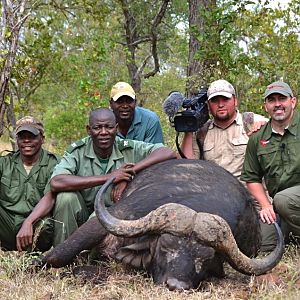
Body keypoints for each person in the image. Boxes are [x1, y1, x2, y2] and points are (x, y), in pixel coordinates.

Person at [50, 108, 176, 246]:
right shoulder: (77, 151)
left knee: (106, 215)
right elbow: (57, 182)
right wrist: (110, 177)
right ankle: (62, 250)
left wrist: (130, 172)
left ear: (116, 128)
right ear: (88, 129)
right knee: (65, 197)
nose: (103, 132)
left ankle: (93, 255)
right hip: (81, 213)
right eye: (97, 127)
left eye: (109, 127)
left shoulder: (128, 147)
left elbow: (167, 152)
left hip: (111, 216)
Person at [241, 81, 300, 246]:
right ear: (266, 106)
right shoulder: (257, 138)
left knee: (283, 200)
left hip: (287, 201)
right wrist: (266, 205)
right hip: (282, 206)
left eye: (282, 98)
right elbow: (252, 178)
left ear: (293, 101)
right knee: (262, 244)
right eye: (272, 100)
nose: (278, 104)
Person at [181, 79, 267, 181]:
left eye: (225, 99)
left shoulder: (253, 122)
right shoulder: (201, 132)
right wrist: (188, 130)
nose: (220, 105)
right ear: (208, 105)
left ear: (235, 101)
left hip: (248, 194)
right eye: (215, 101)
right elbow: (188, 167)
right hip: (216, 193)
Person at [0, 116, 60, 252]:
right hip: (7, 223)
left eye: (32, 136)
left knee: (46, 224)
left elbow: (51, 196)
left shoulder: (54, 163)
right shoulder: (4, 163)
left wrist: (29, 222)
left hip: (36, 225)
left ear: (42, 139)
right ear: (17, 140)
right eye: (22, 137)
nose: (26, 140)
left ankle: (35, 256)